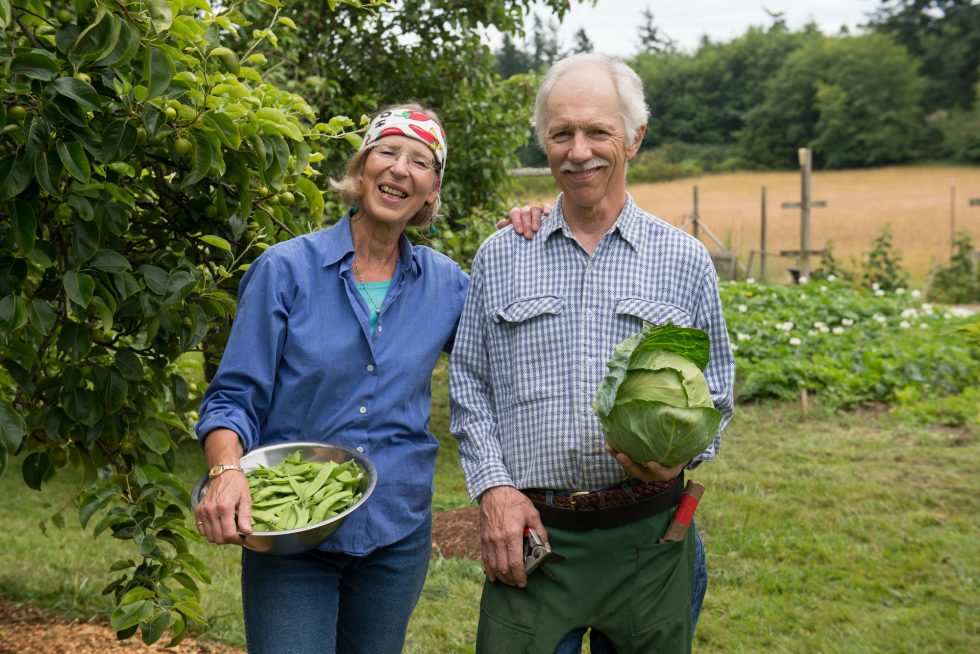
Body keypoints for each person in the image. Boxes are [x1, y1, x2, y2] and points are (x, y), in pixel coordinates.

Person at [192, 103, 536, 654]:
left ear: (432, 192)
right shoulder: (285, 271)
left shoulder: (448, 285)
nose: (401, 169)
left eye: (421, 162)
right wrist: (226, 470)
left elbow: (503, 366)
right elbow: (233, 397)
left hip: (395, 534)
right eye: (387, 151)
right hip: (291, 538)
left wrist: (528, 244)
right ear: (361, 169)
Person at [449, 53, 736, 654]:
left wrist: (683, 453)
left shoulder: (682, 261)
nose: (579, 151)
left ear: (634, 138)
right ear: (545, 142)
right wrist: (494, 490)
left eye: (597, 131)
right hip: (534, 540)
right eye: (561, 133)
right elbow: (470, 383)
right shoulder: (502, 256)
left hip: (648, 538)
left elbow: (718, 390)